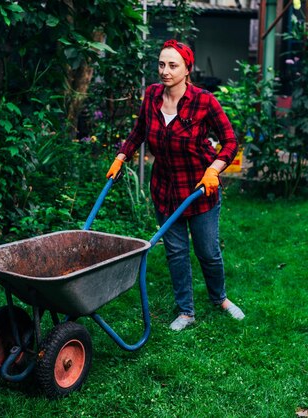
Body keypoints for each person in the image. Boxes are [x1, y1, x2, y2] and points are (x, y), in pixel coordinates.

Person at [105, 39, 245, 331]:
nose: (165, 71)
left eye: (173, 65)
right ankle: (186, 311)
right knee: (176, 252)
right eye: (161, 64)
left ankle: (220, 298)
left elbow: (230, 141)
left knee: (207, 251)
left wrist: (214, 170)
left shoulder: (204, 101)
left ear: (187, 69)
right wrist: (121, 157)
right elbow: (139, 131)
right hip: (165, 190)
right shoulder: (153, 95)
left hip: (199, 189)